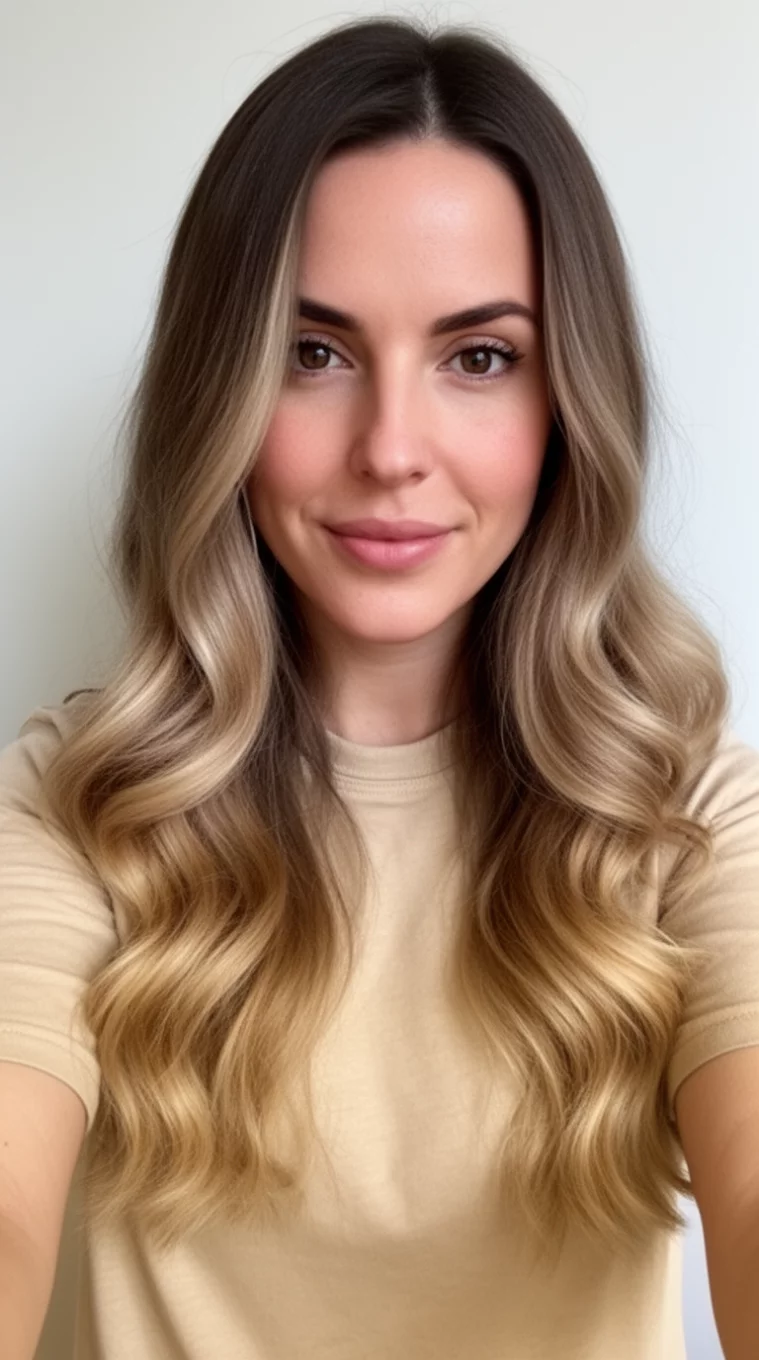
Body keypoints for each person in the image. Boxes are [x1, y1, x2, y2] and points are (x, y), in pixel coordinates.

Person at [1, 14, 758, 1360]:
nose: (390, 449)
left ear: (564, 405)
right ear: (216, 393)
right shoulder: (72, 805)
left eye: (478, 357)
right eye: (313, 352)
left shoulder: (691, 811)